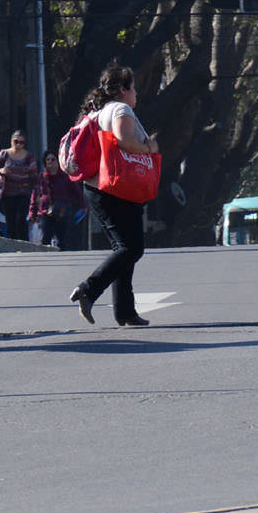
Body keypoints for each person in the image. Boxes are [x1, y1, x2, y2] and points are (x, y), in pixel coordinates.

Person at [69, 66, 159, 327]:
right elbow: (124, 140)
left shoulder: (99, 112)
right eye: (133, 88)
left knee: (124, 248)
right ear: (123, 89)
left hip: (101, 189)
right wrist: (149, 147)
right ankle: (89, 289)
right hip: (114, 189)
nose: (136, 94)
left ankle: (125, 311)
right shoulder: (120, 110)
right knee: (132, 248)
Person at [0, 132, 37, 240]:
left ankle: (24, 245)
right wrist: (1, 170)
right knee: (10, 220)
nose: (18, 145)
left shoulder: (29, 157)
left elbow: (34, 176)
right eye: (16, 142)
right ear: (11, 141)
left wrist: (37, 194)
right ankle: (12, 245)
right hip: (7, 194)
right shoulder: (3, 154)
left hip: (24, 193)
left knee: (21, 219)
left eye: (21, 142)